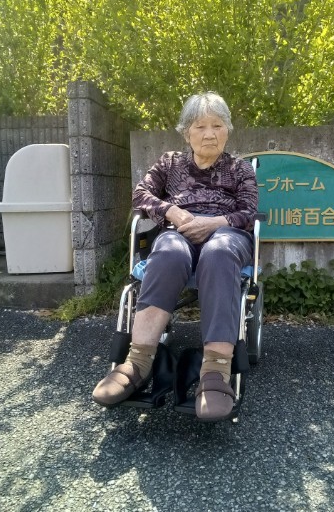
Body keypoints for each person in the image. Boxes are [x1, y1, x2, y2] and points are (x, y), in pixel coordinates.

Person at [92, 92, 258, 420]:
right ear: (186, 132)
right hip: (177, 231)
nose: (209, 134)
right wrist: (173, 212)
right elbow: (140, 195)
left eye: (217, 126)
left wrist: (213, 223)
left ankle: (216, 370)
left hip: (226, 233)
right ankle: (138, 361)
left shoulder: (240, 169)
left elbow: (249, 213)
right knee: (167, 251)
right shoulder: (169, 163)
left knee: (218, 253)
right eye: (200, 126)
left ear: (227, 130)